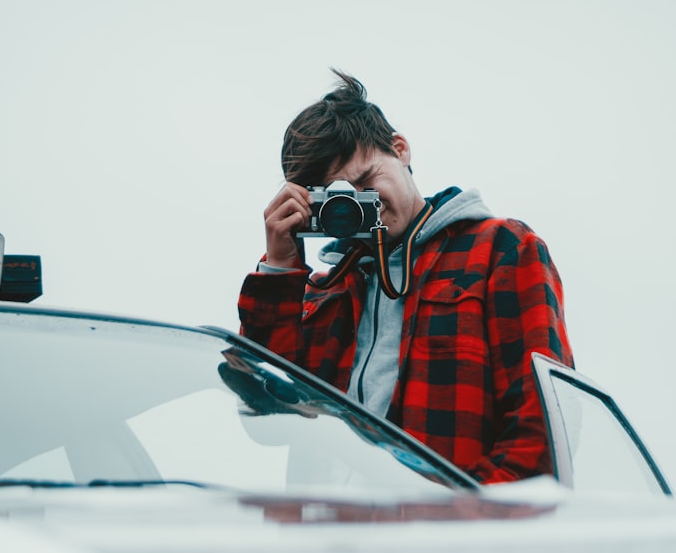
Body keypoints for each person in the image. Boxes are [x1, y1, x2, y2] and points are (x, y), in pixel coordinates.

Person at [237, 70, 573, 484]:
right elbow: (265, 415)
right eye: (337, 198)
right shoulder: (320, 292)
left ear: (400, 149)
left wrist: (456, 523)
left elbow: (540, 437)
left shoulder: (501, 250)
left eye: (364, 182)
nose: (364, 203)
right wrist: (280, 268)